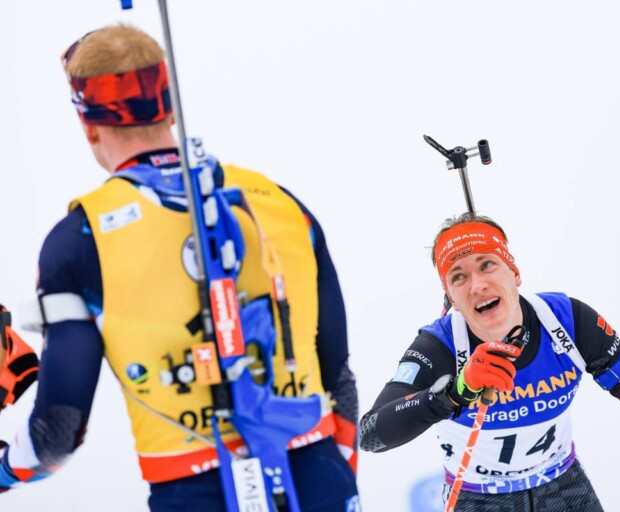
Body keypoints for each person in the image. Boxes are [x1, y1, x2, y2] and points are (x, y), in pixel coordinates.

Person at [0, 24, 359, 511]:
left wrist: (6, 469)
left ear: (88, 124)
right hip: (319, 476)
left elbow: (57, 432)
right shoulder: (279, 202)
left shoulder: (80, 238)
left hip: (194, 491)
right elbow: (339, 378)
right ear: (168, 106)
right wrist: (337, 475)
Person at [359, 213, 620, 511]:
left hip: (563, 487)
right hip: (478, 497)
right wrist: (455, 393)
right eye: (458, 277)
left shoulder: (566, 321)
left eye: (487, 264)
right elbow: (371, 434)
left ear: (515, 273)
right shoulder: (440, 346)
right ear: (451, 299)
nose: (478, 285)